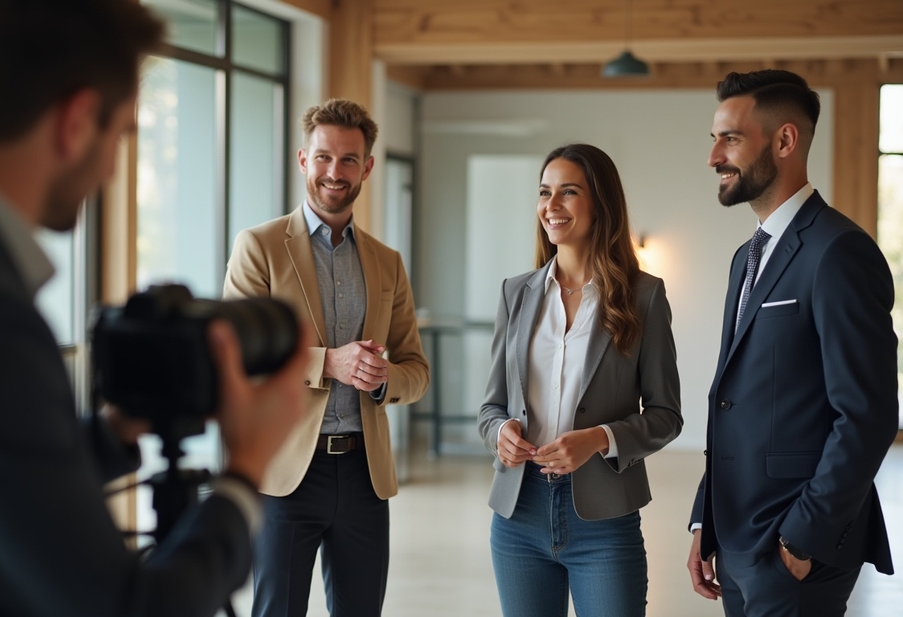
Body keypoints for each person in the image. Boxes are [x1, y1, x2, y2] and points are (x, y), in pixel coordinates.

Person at [0, 1, 311, 616]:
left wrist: (113, 433)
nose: (111, 166)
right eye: (121, 134)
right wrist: (244, 471)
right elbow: (128, 608)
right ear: (77, 121)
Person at [687, 69, 898, 617]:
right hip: (735, 534)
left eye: (729, 138)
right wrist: (704, 520)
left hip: (795, 542)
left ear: (784, 140)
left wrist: (801, 540)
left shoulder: (839, 252)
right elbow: (731, 398)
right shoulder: (745, 258)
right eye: (714, 139)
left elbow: (868, 415)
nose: (714, 157)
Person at [223, 98, 430, 617]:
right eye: (322, 158)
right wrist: (327, 364)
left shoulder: (388, 262)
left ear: (368, 167)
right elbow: (237, 352)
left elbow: (416, 370)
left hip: (365, 475)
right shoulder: (260, 247)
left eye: (347, 160)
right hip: (287, 469)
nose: (333, 172)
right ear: (302, 159)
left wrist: (384, 380)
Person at [478, 143, 683, 617]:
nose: (551, 206)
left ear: (600, 203)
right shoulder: (516, 293)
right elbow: (491, 407)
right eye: (545, 192)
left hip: (604, 520)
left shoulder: (644, 296)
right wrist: (500, 433)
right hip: (517, 514)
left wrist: (598, 439)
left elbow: (666, 415)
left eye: (568, 192)